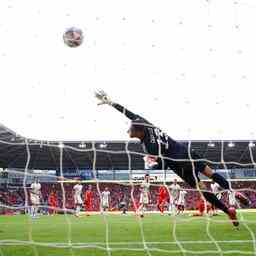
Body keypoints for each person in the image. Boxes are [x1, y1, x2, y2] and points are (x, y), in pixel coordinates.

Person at [95, 90, 239, 226]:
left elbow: (164, 165)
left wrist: (151, 165)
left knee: (202, 188)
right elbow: (128, 113)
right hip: (185, 151)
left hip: (178, 164)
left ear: (138, 132)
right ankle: (233, 191)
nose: (128, 130)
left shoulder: (149, 147)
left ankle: (228, 211)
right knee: (211, 173)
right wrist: (111, 103)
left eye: (131, 129)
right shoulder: (146, 124)